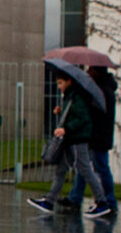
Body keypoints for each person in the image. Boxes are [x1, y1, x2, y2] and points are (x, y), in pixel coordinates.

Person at [28, 71, 113, 219]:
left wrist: (65, 129)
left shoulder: (77, 98)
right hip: (70, 140)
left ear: (69, 81)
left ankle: (102, 202)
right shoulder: (70, 97)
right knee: (61, 170)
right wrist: (61, 112)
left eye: (61, 83)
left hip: (77, 140)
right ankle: (49, 201)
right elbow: (73, 116)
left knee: (85, 169)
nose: (59, 87)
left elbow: (83, 120)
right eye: (58, 84)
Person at [60, 66, 118, 213]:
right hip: (94, 136)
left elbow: (97, 113)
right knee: (83, 168)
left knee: (101, 169)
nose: (88, 74)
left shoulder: (103, 92)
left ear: (98, 73)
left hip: (98, 137)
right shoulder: (101, 90)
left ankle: (108, 201)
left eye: (91, 71)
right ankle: (75, 198)